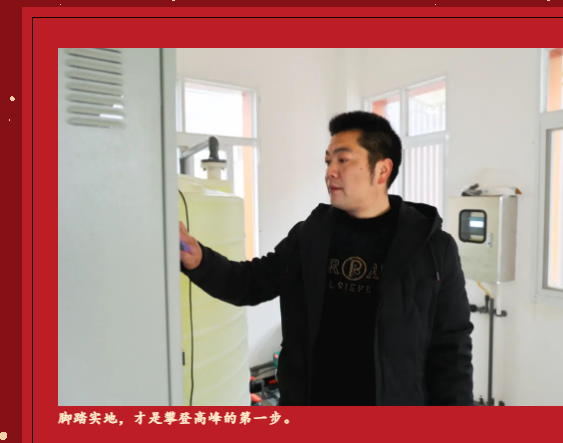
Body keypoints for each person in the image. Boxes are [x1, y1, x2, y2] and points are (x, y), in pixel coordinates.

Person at [179, 111, 474, 406]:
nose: (330, 171)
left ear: (382, 170)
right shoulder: (309, 236)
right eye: (328, 161)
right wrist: (198, 259)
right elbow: (250, 283)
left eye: (343, 160)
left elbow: (451, 348)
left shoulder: (432, 249)